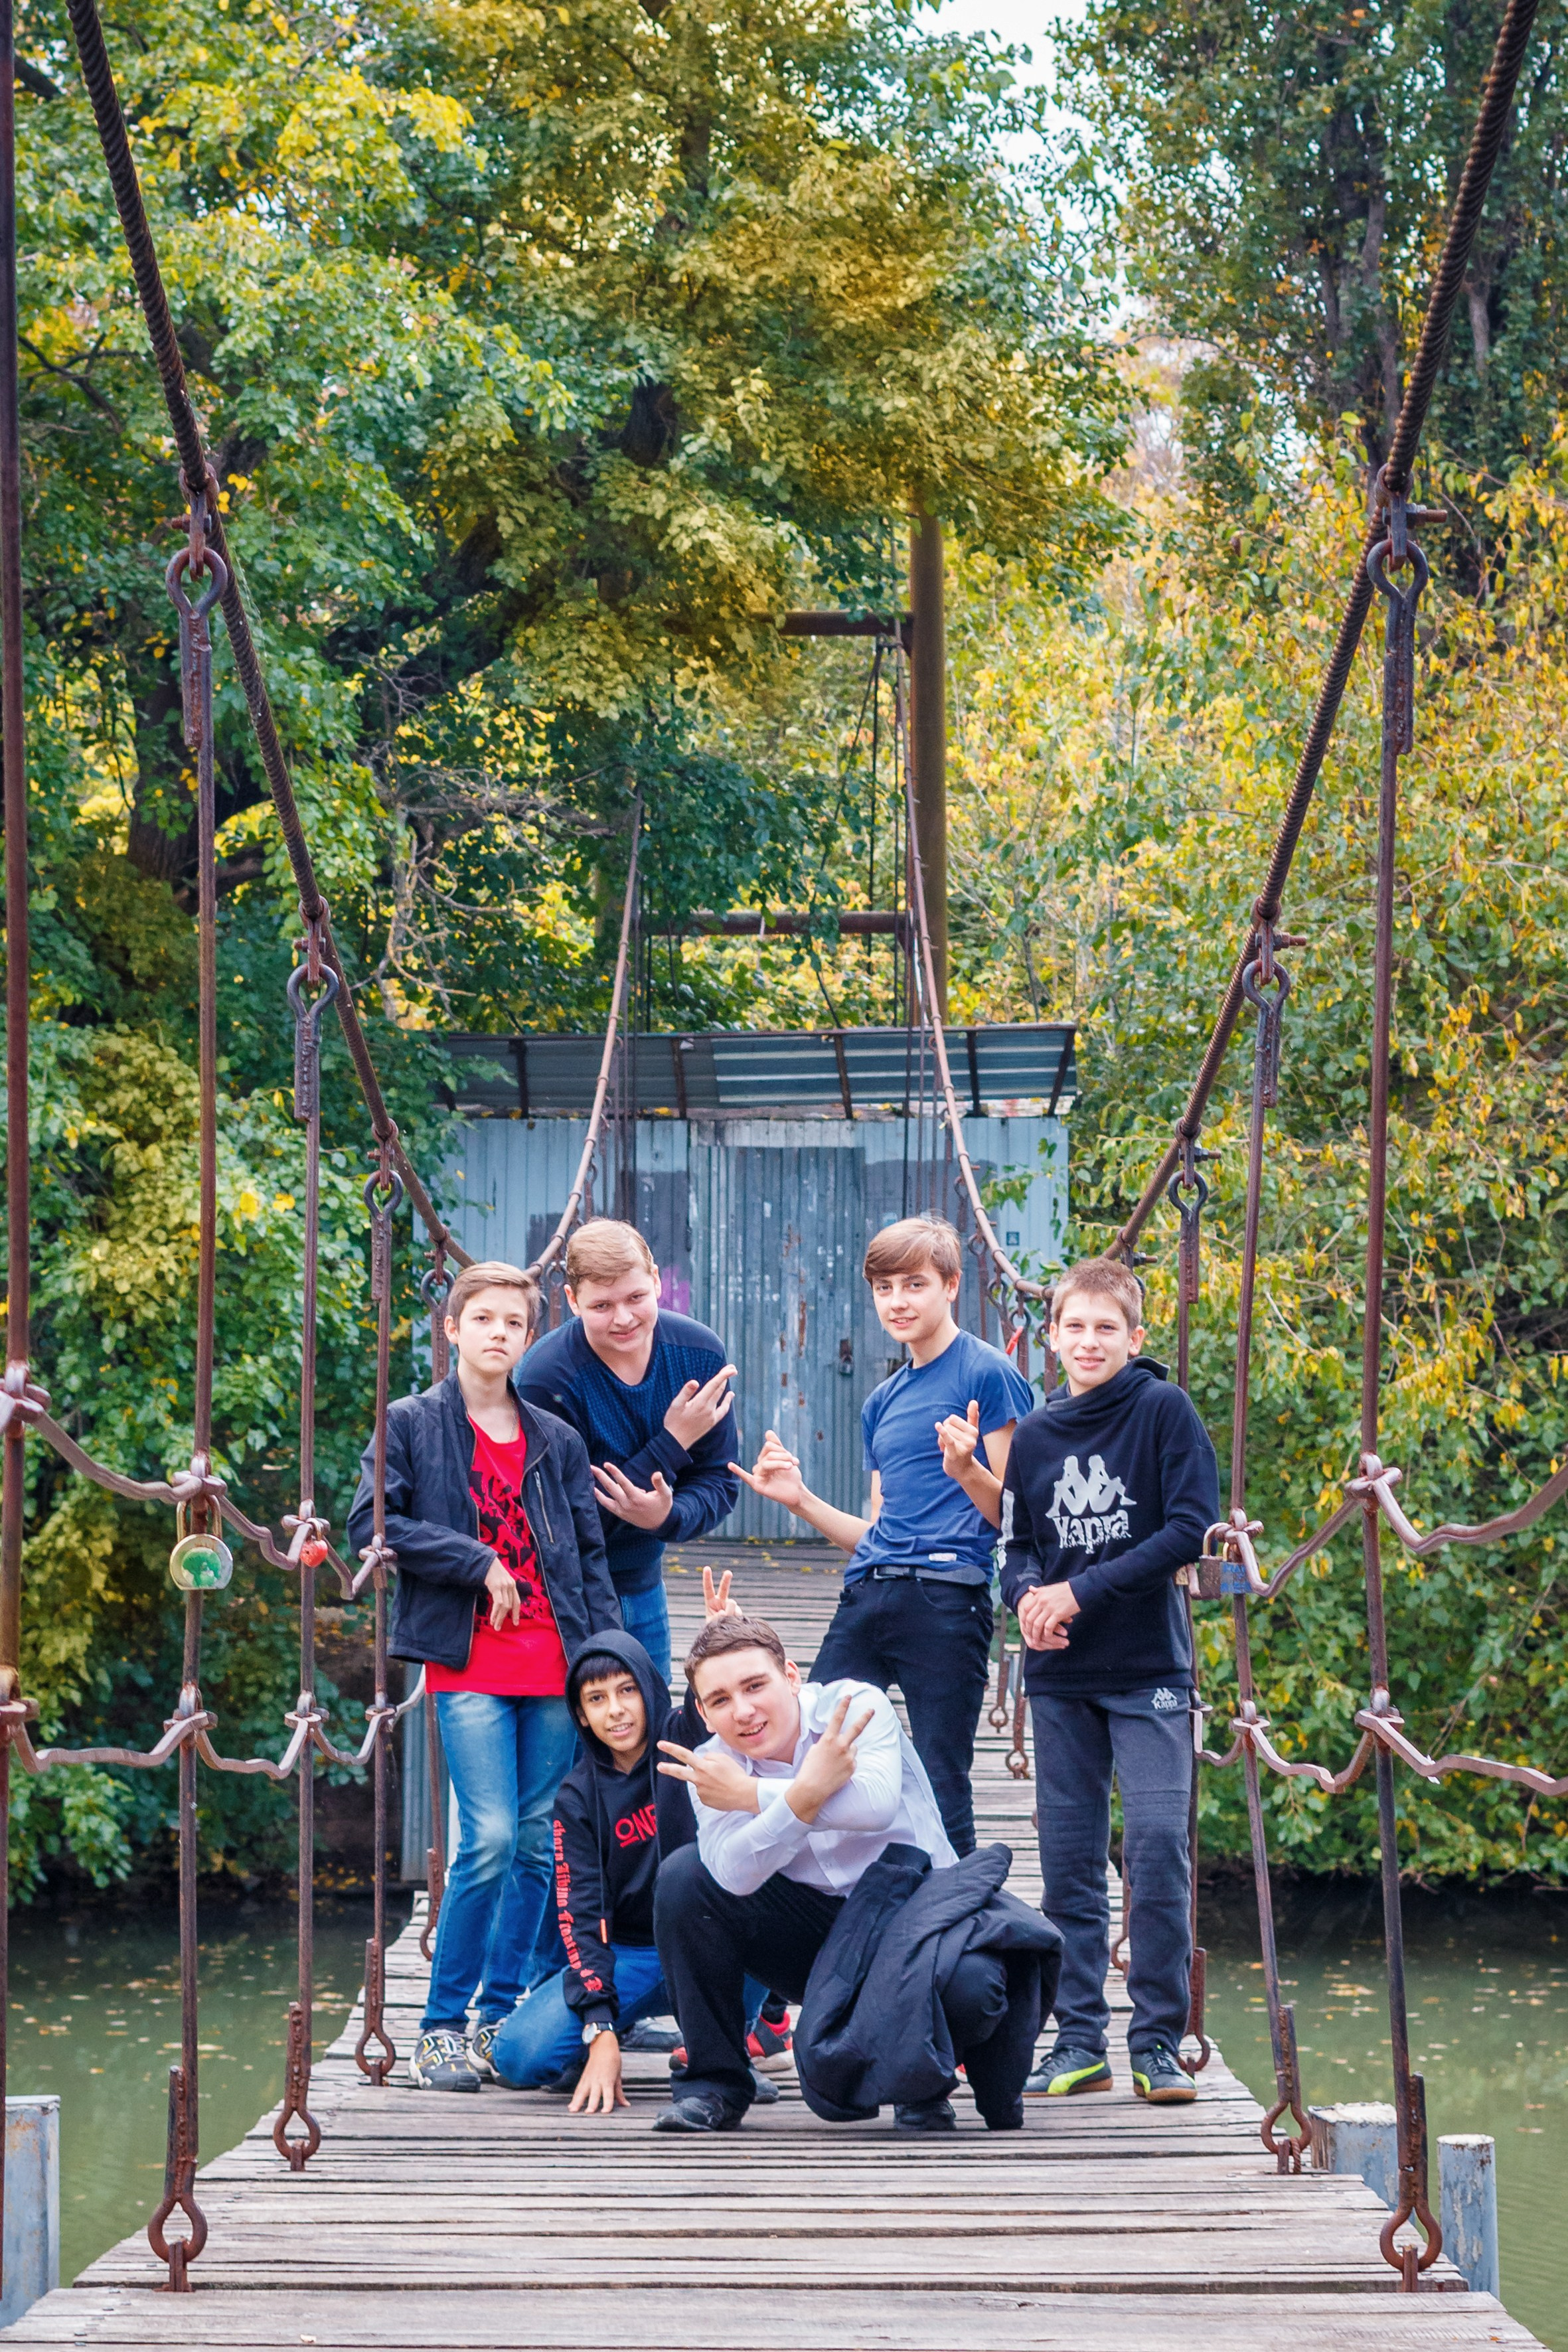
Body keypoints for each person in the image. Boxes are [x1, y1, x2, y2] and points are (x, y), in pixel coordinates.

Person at [347, 1257, 621, 2092]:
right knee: (491, 1838)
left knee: (539, 1844)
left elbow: (587, 1556)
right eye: (485, 1319)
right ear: (452, 1327)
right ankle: (439, 2024)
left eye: (514, 1323)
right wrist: (477, 1561)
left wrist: (610, 1659)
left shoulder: (557, 1440)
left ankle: (498, 2014)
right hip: (468, 1661)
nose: (499, 1333)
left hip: (554, 1661)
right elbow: (373, 1525)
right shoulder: (410, 1425)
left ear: (527, 1337)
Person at [651, 1613, 1057, 2135]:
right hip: (812, 1933)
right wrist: (804, 1794)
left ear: (792, 1677)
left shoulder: (855, 1705)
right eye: (722, 1699)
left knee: (976, 1988)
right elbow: (732, 1873)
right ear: (704, 1713)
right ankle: (715, 2083)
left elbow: (874, 1804)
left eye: (756, 1685)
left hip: (913, 1912)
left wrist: (755, 1796)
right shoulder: (712, 1764)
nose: (744, 1710)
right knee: (685, 1879)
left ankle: (924, 2084)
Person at [733, 1214, 1033, 1855]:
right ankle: (823, 1910)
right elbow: (876, 1531)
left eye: (915, 1284)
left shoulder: (989, 1374)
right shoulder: (881, 1401)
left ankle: (962, 1928)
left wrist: (967, 1468)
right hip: (868, 1594)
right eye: (885, 1287)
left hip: (947, 1599)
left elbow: (1018, 1514)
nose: (898, 1301)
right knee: (809, 1744)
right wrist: (802, 1500)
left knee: (941, 1777)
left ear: (951, 1286)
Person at [998, 1254, 1219, 2106]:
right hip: (1059, 1678)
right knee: (1070, 1862)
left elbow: (1189, 1529)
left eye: (1105, 1328)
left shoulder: (1163, 1411)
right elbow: (1018, 1549)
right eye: (1074, 1327)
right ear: (1050, 1337)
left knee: (1159, 1844)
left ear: (1134, 1337)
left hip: (1148, 1668)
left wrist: (1077, 1592)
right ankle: (1079, 2039)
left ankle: (1156, 2040)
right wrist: (1025, 1599)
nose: (1088, 1341)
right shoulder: (1038, 1434)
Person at [490, 1570, 774, 2109]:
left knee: (758, 1893)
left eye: (626, 1691)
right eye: (597, 1699)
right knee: (520, 2057)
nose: (615, 1709)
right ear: (582, 1714)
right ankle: (605, 2039)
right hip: (631, 1956)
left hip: (709, 1938)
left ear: (648, 1689)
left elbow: (709, 1705)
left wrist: (724, 1639)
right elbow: (580, 1911)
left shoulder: (685, 1742)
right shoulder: (576, 1798)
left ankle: (723, 2046)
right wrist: (598, 2025)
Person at [514, 1218, 740, 1683]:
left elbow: (720, 1480)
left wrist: (667, 1517)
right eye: (601, 1305)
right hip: (565, 1598)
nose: (623, 1317)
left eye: (637, 1297)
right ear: (572, 1301)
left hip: (645, 1583)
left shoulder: (698, 1354)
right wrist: (672, 1443)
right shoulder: (546, 1379)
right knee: (582, 1740)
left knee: (650, 1735)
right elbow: (556, 1527)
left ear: (656, 1280)